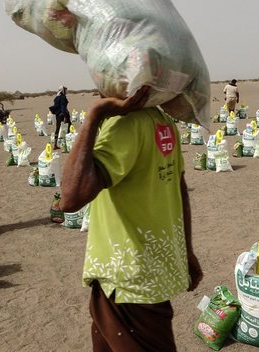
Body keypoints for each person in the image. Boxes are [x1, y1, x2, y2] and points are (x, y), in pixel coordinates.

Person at [60, 86, 203, 351]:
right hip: (146, 274)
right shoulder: (162, 120)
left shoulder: (123, 125)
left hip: (128, 281)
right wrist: (186, 249)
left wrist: (94, 116)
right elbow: (178, 187)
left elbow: (70, 198)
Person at [49, 85, 71, 150]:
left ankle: (55, 145)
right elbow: (63, 107)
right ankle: (68, 144)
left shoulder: (57, 97)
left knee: (58, 129)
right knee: (69, 128)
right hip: (63, 115)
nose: (66, 91)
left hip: (58, 115)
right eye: (65, 90)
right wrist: (64, 116)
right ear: (62, 90)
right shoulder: (63, 98)